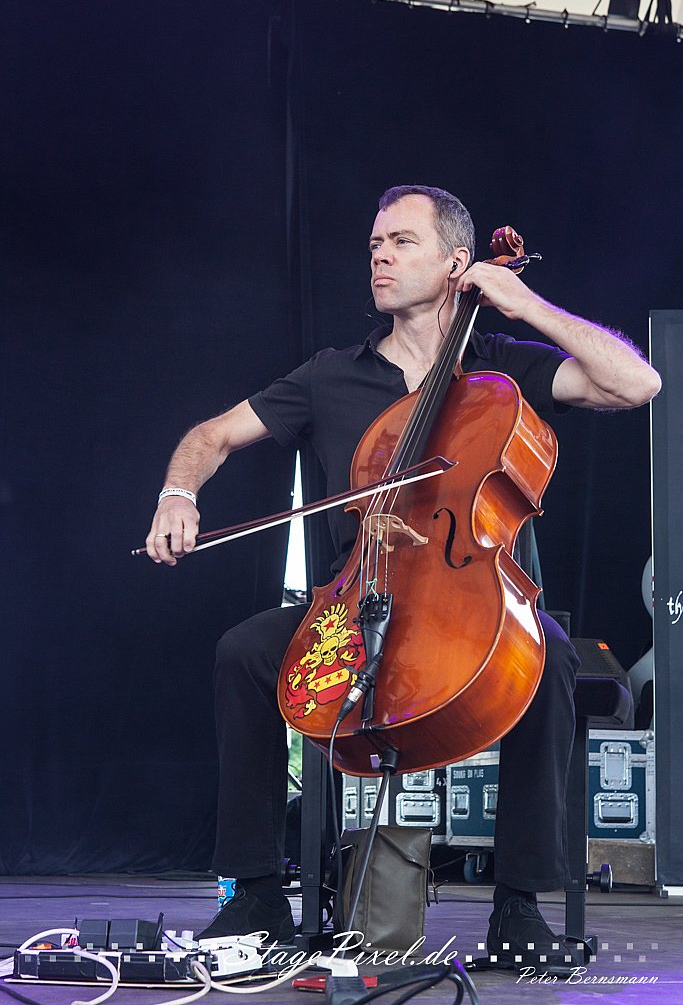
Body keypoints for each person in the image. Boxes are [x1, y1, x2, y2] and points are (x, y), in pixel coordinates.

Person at [144, 186, 661, 973]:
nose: (379, 256)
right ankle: (255, 893)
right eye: (375, 244)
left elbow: (635, 384)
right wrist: (177, 494)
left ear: (457, 264)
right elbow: (210, 436)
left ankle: (519, 904)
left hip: (472, 596)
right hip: (352, 599)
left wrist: (525, 304)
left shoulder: (501, 368)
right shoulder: (329, 375)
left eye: (401, 242)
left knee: (549, 659)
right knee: (243, 652)